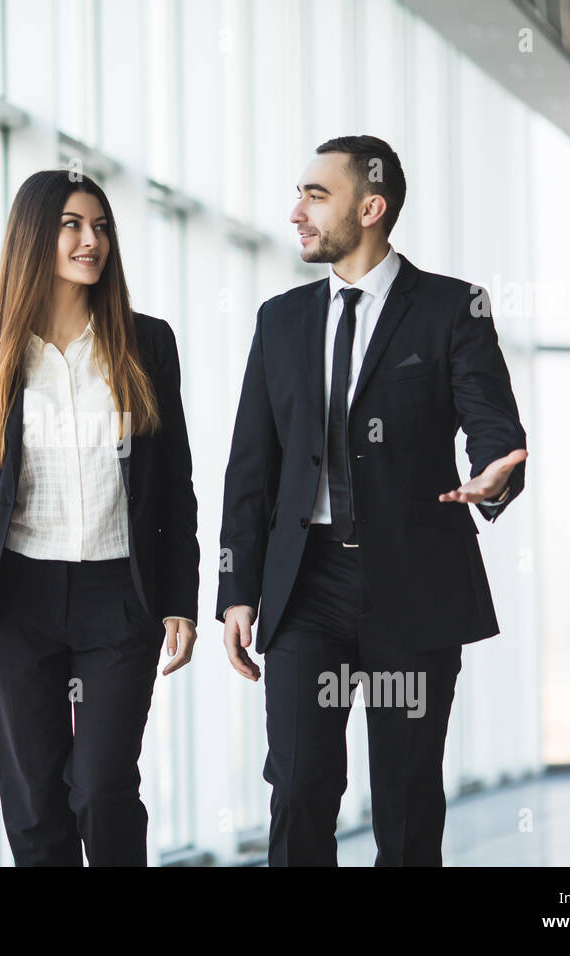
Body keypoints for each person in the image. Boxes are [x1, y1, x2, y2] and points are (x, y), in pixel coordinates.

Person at [217, 135, 528, 866]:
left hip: (412, 580)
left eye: (315, 195)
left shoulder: (454, 309)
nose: (296, 212)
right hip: (305, 587)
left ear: (372, 206)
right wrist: (237, 589)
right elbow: (251, 468)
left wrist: (493, 475)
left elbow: (492, 424)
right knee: (297, 787)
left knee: (407, 796)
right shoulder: (280, 319)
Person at [0, 169, 200, 866]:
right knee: (34, 808)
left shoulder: (147, 344)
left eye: (102, 227)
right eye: (73, 225)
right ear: (33, 236)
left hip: (120, 599)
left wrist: (180, 598)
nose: (92, 241)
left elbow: (175, 486)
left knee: (102, 787)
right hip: (18, 602)